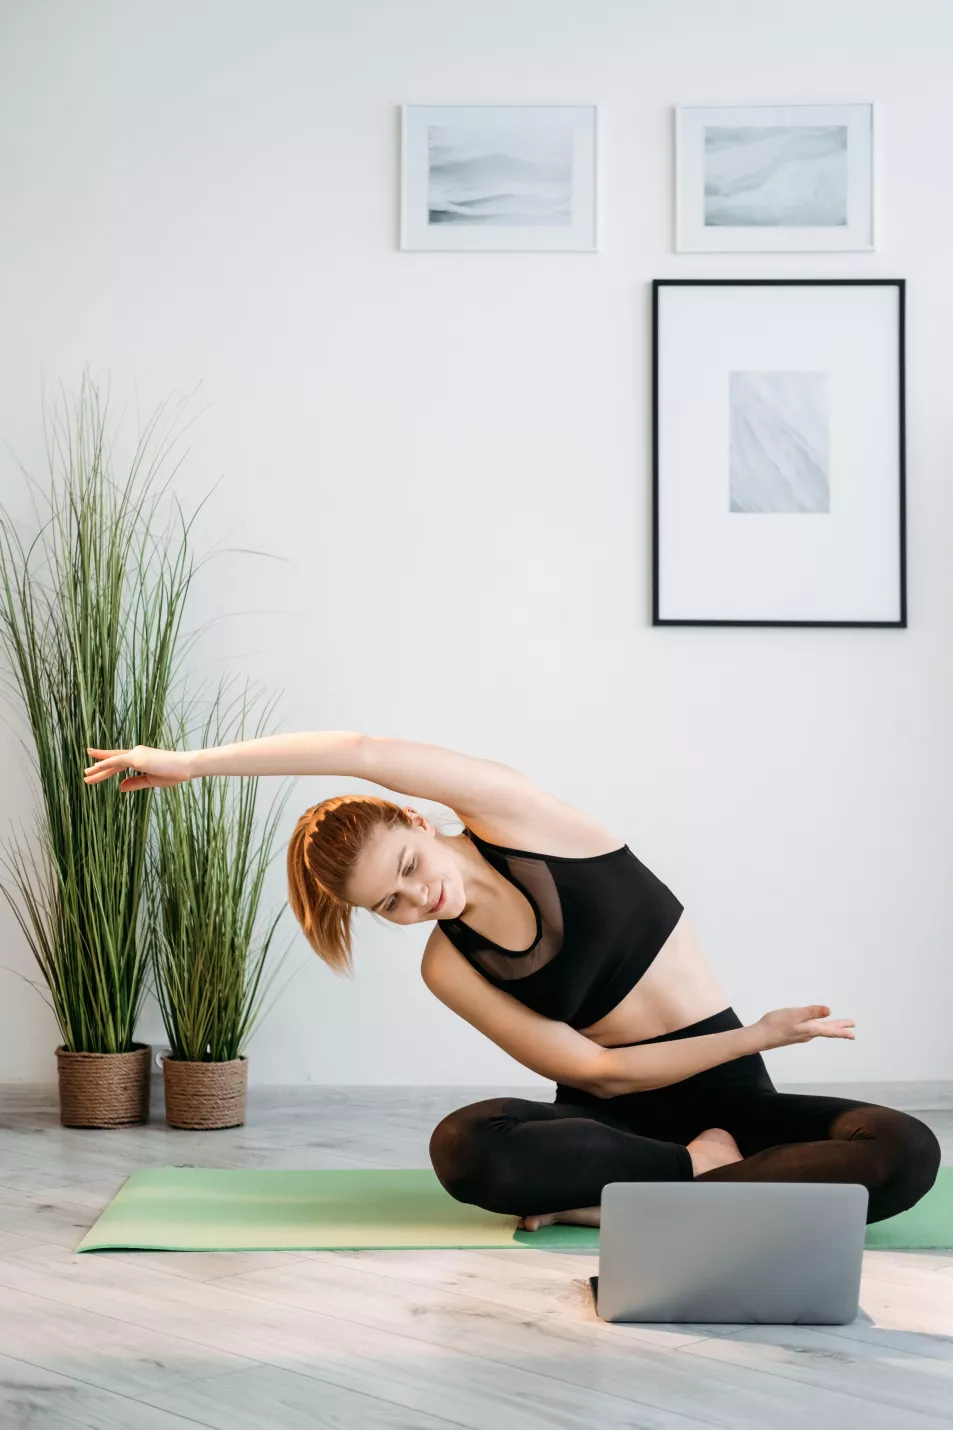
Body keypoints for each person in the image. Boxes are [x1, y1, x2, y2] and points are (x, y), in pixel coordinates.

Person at [84, 729, 941, 1229]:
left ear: (418, 818)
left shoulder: (522, 817)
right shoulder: (448, 967)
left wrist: (193, 765)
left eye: (410, 866)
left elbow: (360, 749)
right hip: (609, 1123)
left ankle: (613, 1206)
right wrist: (753, 1038)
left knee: (906, 1153)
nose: (422, 898)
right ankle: (685, 1179)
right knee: (464, 1148)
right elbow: (597, 1072)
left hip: (728, 1090)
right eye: (391, 904)